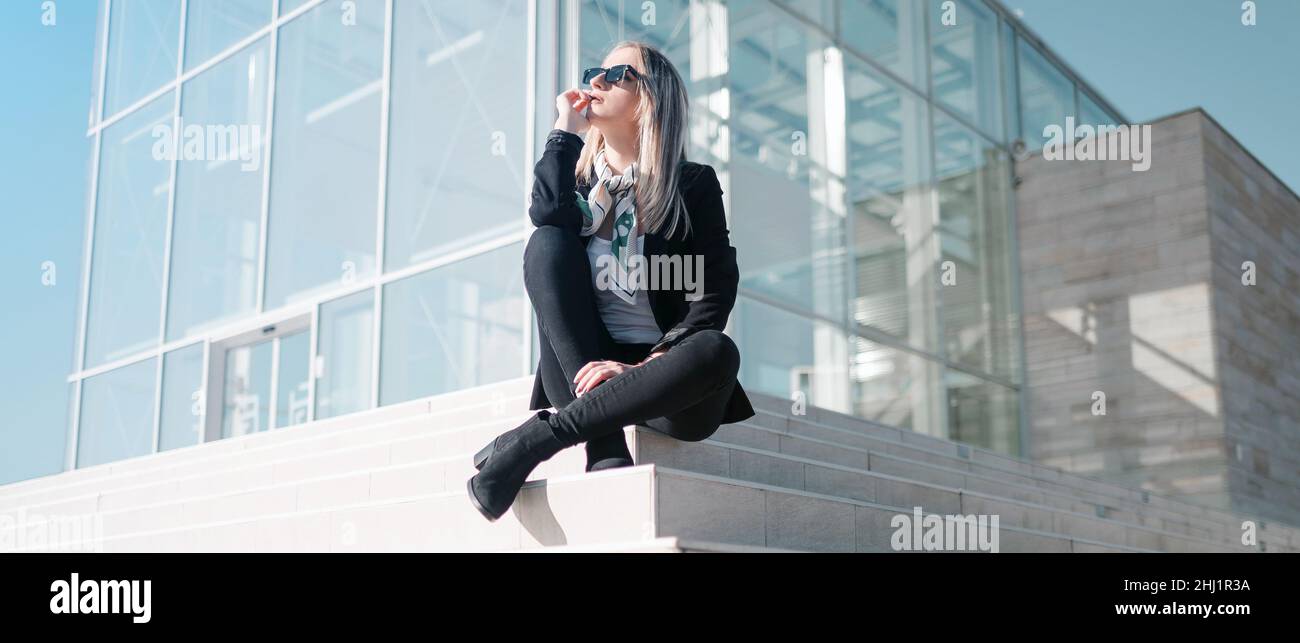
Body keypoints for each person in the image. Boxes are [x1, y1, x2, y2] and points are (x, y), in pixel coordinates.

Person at [467, 40, 754, 522]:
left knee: (717, 351)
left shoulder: (694, 185)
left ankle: (535, 440)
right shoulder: (580, 187)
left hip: (665, 384)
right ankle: (603, 441)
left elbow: (714, 289)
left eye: (616, 74)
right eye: (591, 72)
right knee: (547, 243)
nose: (595, 81)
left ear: (651, 98)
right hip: (581, 367)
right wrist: (564, 131)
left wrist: (649, 365)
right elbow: (546, 212)